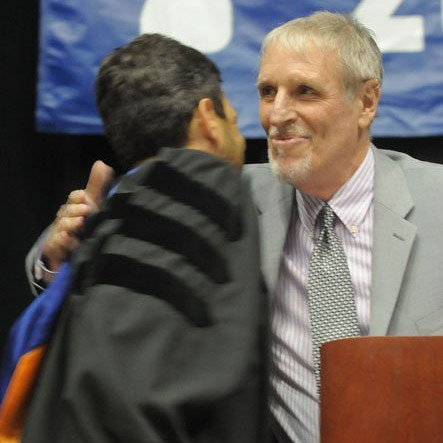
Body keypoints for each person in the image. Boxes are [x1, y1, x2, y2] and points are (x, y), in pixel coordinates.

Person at [24, 10, 443, 443]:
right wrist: (59, 255)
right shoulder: (220, 198)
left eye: (305, 92)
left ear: (367, 101)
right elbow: (111, 269)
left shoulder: (438, 202)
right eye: (267, 91)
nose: (277, 114)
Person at [10, 33, 269, 442]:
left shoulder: (122, 213)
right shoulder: (204, 193)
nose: (242, 140)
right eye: (234, 122)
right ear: (208, 119)